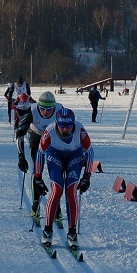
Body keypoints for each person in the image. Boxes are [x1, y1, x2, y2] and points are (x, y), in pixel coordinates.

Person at [34, 107, 94, 250]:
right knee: (56, 190)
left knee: (71, 191)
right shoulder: (49, 131)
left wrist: (87, 176)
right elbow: (40, 153)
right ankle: (47, 230)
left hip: (75, 156)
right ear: (57, 123)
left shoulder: (80, 130)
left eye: (69, 125)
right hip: (55, 155)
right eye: (62, 125)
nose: (66, 129)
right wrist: (38, 177)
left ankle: (72, 232)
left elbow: (90, 151)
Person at [25, 91, 62, 217]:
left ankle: (56, 203)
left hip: (52, 137)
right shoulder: (32, 109)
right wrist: (20, 156)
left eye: (49, 109)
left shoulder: (60, 109)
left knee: (55, 168)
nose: (45, 112)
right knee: (37, 167)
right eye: (42, 109)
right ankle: (36, 200)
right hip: (36, 135)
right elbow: (20, 132)